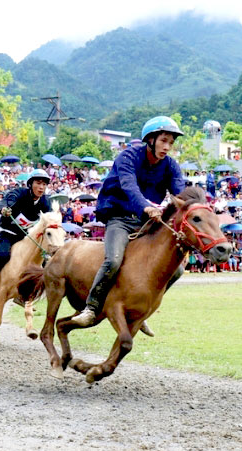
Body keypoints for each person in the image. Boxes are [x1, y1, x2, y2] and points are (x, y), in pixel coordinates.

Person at [72, 116, 186, 332]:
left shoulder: (171, 165)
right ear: (150, 140)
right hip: (119, 217)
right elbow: (129, 186)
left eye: (171, 142)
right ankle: (91, 307)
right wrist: (145, 207)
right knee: (114, 260)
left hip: (145, 220)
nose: (167, 147)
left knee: (178, 270)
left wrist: (196, 206)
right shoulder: (128, 157)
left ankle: (142, 311)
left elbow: (180, 193)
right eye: (163, 140)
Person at [0, 168, 52, 295]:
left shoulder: (45, 202)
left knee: (44, 257)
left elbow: (49, 218)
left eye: (44, 184)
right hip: (6, 233)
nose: (41, 187)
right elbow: (7, 201)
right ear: (30, 184)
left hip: (24, 237)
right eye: (38, 183)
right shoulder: (19, 193)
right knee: (4, 256)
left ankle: (29, 292)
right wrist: (3, 209)